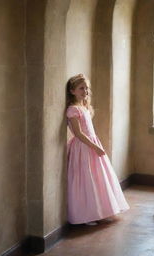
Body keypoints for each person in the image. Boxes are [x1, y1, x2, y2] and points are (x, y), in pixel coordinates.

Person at [66, 74, 129, 225]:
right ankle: (87, 214)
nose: (85, 91)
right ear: (72, 91)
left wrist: (96, 145)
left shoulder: (84, 107)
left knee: (98, 178)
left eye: (87, 88)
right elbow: (79, 133)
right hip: (83, 147)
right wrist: (95, 147)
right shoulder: (73, 110)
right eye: (81, 88)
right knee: (85, 179)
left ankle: (101, 210)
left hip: (92, 143)